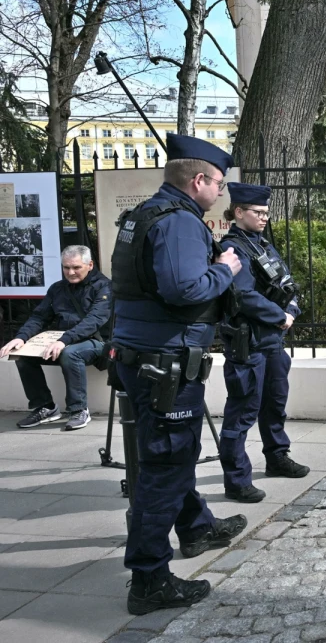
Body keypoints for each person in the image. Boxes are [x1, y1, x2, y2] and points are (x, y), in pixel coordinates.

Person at [110, 132, 247, 615]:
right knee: (165, 466)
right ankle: (148, 578)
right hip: (165, 362)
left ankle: (196, 528)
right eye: (220, 184)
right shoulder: (180, 223)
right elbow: (185, 289)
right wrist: (225, 267)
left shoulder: (140, 215)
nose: (222, 193)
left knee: (170, 454)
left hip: (138, 355)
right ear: (200, 180)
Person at [217, 183, 308, 504]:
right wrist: (279, 315)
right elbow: (241, 295)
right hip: (249, 342)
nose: (264, 217)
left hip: (272, 341)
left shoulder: (262, 244)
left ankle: (277, 456)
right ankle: (236, 478)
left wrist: (291, 310)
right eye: (258, 212)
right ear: (238, 212)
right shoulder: (233, 248)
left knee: (275, 403)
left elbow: (286, 282)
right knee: (242, 412)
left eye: (267, 212)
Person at [0, 245, 111, 431]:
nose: (71, 272)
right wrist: (21, 338)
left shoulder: (104, 287)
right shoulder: (58, 289)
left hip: (97, 341)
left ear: (90, 265)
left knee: (70, 354)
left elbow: (94, 321)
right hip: (65, 340)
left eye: (76, 267)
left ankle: (78, 410)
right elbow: (39, 317)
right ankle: (46, 407)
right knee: (22, 354)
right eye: (66, 267)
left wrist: (64, 340)